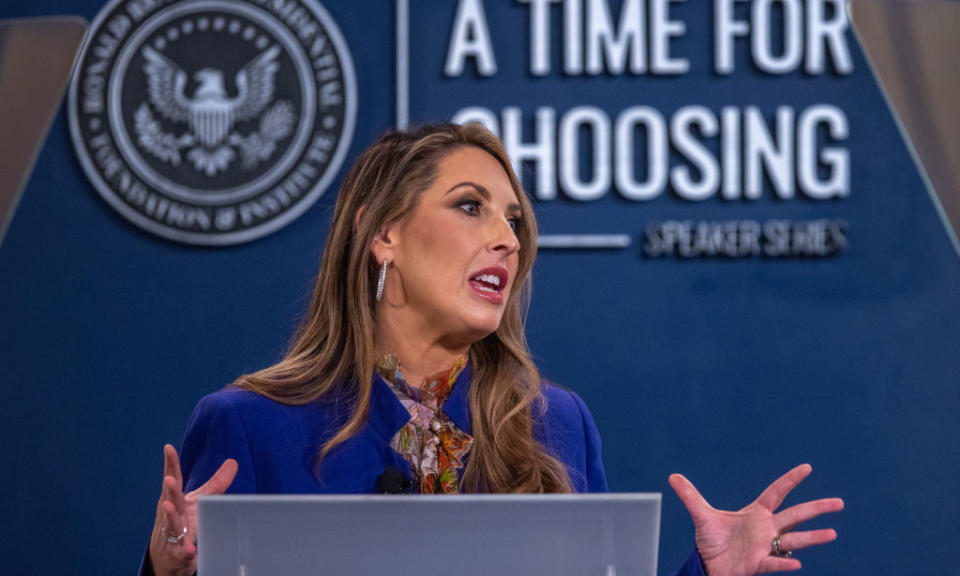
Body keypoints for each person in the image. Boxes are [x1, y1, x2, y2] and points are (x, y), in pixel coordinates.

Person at [144, 123, 843, 576]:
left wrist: (709, 573)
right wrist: (166, 570)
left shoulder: (556, 425)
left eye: (514, 218)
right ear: (381, 234)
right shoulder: (249, 423)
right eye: (471, 206)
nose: (509, 238)